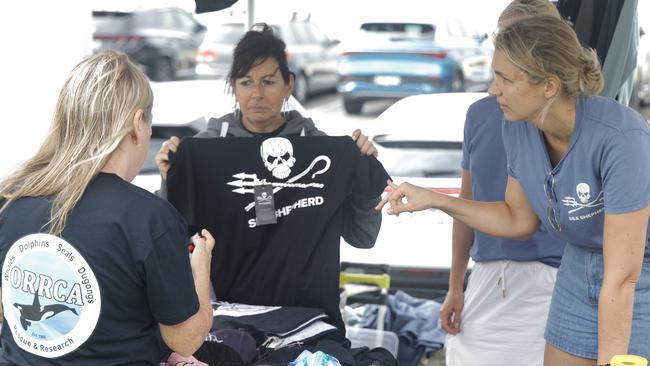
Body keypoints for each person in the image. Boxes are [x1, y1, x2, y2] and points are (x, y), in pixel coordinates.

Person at [378, 15, 650, 365]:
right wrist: (434, 199)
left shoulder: (620, 137)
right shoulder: (518, 127)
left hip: (637, 276)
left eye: (505, 79)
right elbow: (517, 219)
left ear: (549, 86)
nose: (493, 89)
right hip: (578, 261)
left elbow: (621, 276)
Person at [154, 25, 382, 327]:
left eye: (268, 81)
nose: (257, 94)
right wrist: (170, 179)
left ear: (289, 85)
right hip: (233, 319)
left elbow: (363, 237)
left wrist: (362, 177)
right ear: (233, 87)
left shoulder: (321, 150)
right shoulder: (207, 149)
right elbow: (170, 237)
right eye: (246, 82)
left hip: (310, 320)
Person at [0, 50, 214, 365]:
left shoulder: (12, 198)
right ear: (137, 123)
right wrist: (201, 267)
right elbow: (184, 339)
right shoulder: (150, 218)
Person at [440, 1, 565, 365]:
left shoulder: (575, 122)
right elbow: (468, 203)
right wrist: (455, 286)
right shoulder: (480, 114)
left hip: (553, 279)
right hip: (487, 277)